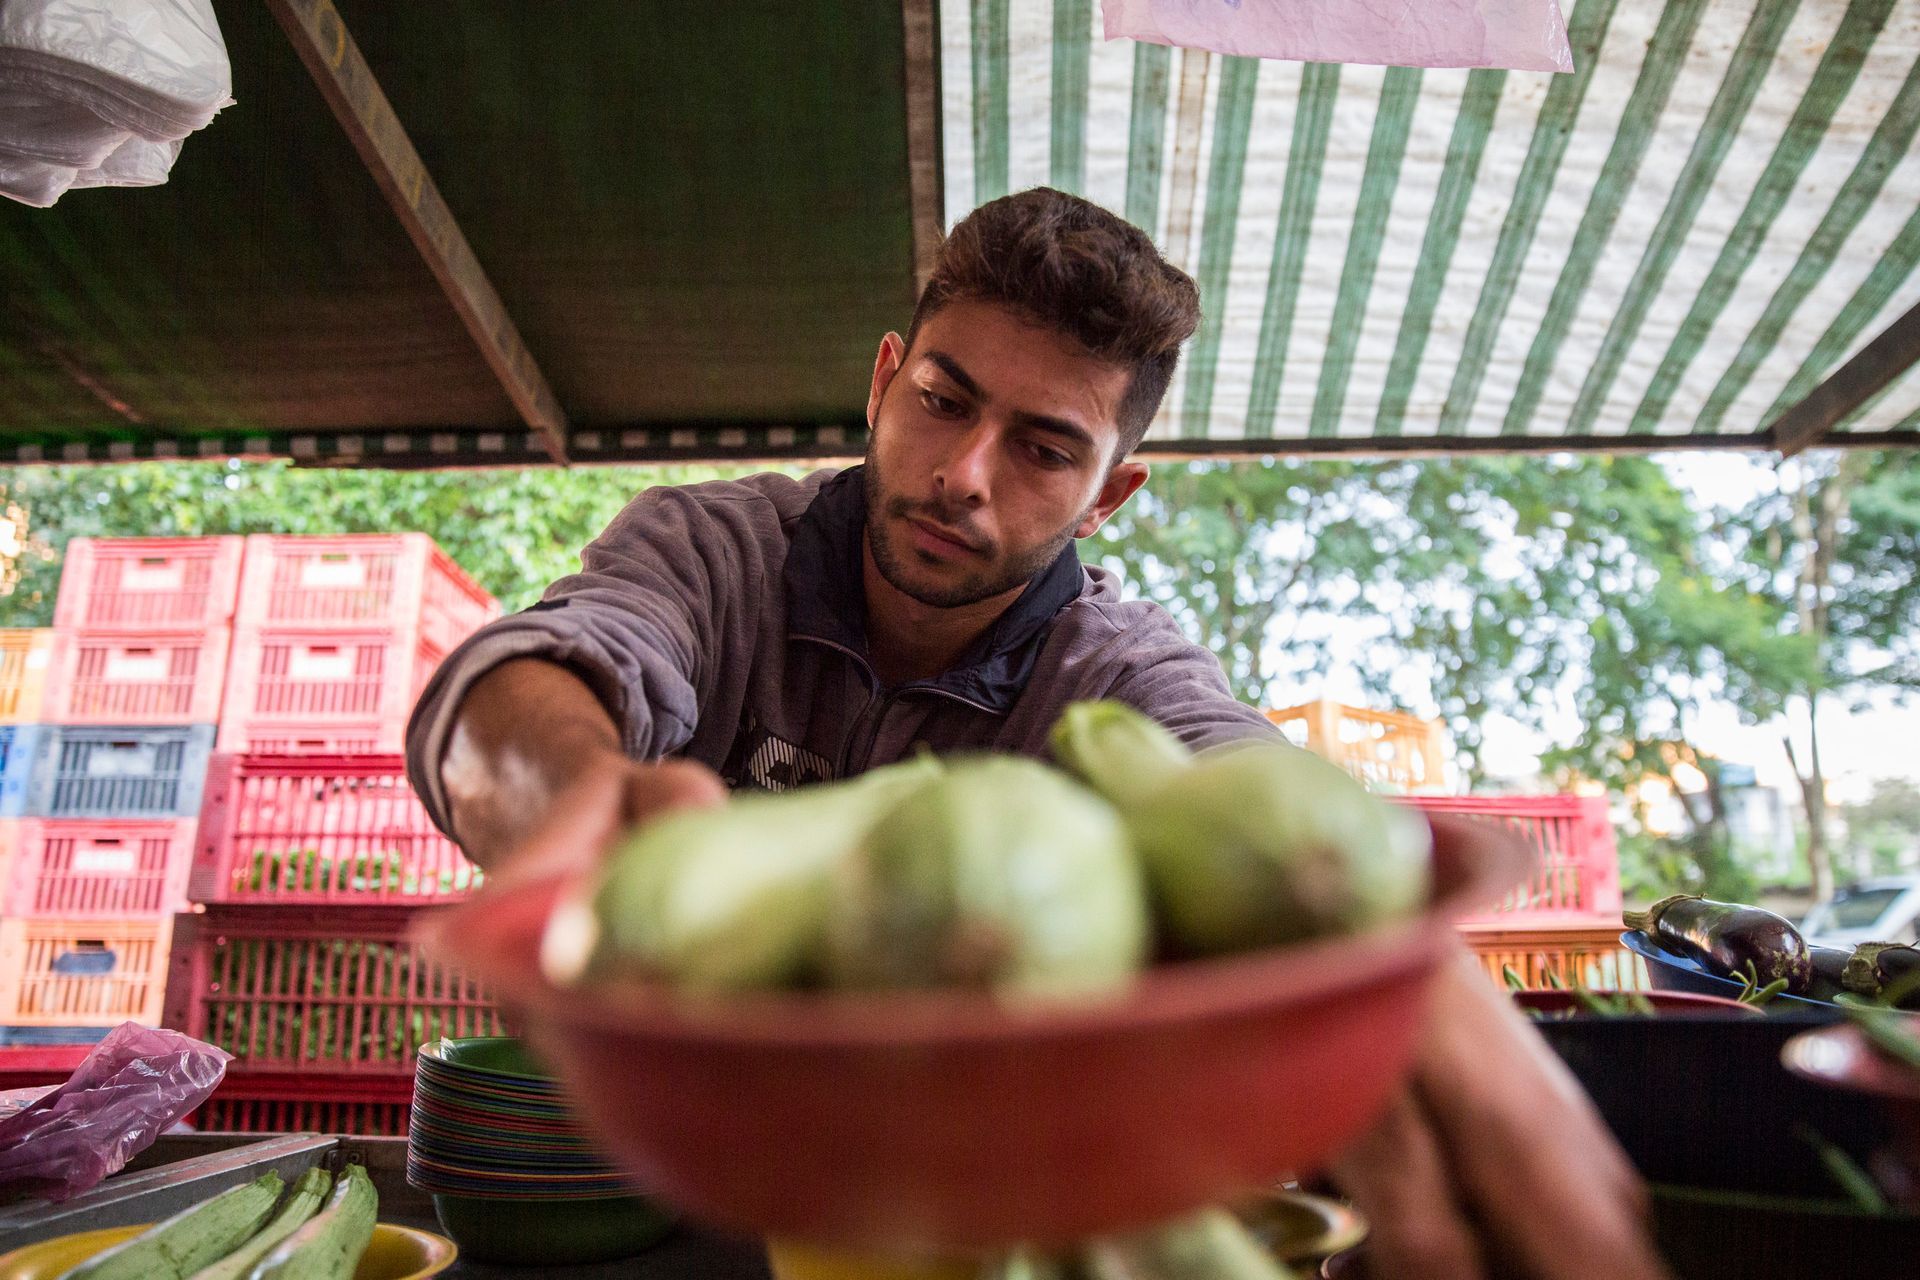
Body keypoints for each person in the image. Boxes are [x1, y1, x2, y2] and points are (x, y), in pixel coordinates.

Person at [405, 187, 1672, 1280]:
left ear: (1109, 493)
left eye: (1044, 448)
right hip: (674, 1210)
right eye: (945, 401)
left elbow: (1240, 777)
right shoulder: (716, 550)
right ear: (884, 377)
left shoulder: (1115, 674)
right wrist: (559, 792)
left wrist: (1377, 958)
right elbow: (546, 665)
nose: (964, 472)